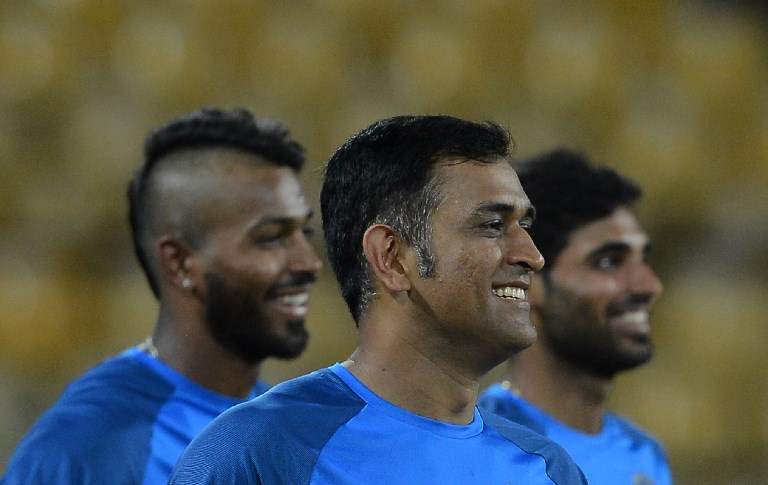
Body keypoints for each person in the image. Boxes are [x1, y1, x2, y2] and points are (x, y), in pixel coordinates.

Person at [170, 115, 587, 484]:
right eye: (493, 225)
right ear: (391, 257)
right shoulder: (258, 453)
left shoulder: (550, 470)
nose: (532, 256)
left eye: (525, 226)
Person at [3, 108, 322, 484]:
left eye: (305, 233)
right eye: (271, 238)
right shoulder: (90, 451)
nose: (309, 262)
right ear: (182, 263)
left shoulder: (283, 425)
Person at [479, 149, 672, 485]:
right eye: (609, 262)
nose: (649, 285)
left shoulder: (643, 453)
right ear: (529, 280)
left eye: (643, 260)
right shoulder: (482, 448)